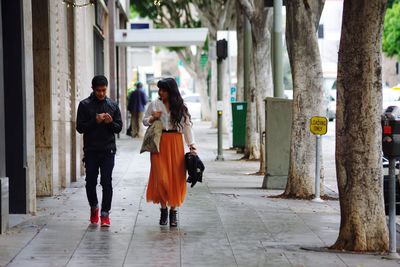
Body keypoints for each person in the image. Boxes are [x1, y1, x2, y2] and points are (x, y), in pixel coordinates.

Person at [143, 77, 196, 227]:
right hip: (159, 142)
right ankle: (163, 210)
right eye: (160, 90)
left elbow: (187, 127)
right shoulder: (154, 104)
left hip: (176, 142)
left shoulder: (180, 106)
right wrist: (153, 117)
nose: (161, 92)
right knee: (161, 177)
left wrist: (191, 145)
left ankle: (173, 212)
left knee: (175, 177)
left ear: (171, 91)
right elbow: (144, 121)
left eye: (164, 90)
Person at [76, 75, 123, 227]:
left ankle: (105, 214)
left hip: (108, 150)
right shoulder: (84, 105)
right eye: (98, 90)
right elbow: (80, 128)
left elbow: (119, 127)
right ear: (93, 89)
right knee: (90, 182)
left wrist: (110, 123)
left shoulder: (113, 105)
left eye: (103, 90)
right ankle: (94, 207)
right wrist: (94, 121)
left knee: (106, 181)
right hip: (91, 150)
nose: (101, 93)